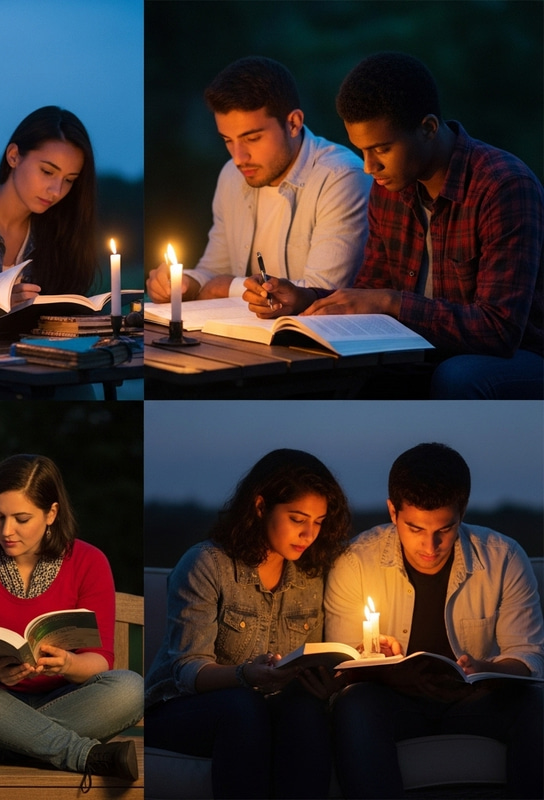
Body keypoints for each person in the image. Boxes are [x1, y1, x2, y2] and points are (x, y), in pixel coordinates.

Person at [252, 52, 544, 399]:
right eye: (361, 151)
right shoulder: (389, 189)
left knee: (459, 376)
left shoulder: (503, 186)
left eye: (382, 149)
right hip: (423, 349)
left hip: (520, 355)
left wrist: (391, 303)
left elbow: (498, 330)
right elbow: (369, 293)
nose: (368, 167)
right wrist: (304, 299)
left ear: (428, 128)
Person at [324, 442, 544, 799]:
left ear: (463, 511)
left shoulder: (503, 558)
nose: (430, 545)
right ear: (392, 512)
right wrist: (380, 663)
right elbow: (342, 663)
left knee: (536, 705)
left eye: (445, 528)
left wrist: (487, 668)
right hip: (393, 703)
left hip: (474, 701)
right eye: (414, 528)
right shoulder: (355, 563)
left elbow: (530, 656)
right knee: (356, 706)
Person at [145, 449, 352, 799]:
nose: (309, 534)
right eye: (298, 519)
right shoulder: (207, 564)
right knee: (244, 705)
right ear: (260, 507)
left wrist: (328, 681)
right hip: (180, 707)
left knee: (304, 711)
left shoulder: (311, 576)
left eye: (318, 522)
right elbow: (187, 670)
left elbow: (312, 658)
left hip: (271, 707)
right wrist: (246, 675)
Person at [0, 454, 143, 789]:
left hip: (68, 700)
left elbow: (100, 661)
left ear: (51, 513)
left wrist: (67, 663)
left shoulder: (89, 562)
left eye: (21, 518)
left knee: (130, 688)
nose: (6, 531)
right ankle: (82, 754)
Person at [146, 56, 370, 305]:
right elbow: (215, 269)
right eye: (227, 140)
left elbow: (324, 292)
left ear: (293, 123)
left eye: (252, 138)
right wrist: (183, 283)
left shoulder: (341, 177)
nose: (239, 157)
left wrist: (228, 287)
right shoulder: (232, 175)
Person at [0, 106, 98, 302]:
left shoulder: (58, 233)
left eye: (69, 180)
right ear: (13, 156)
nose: (56, 190)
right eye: (47, 172)